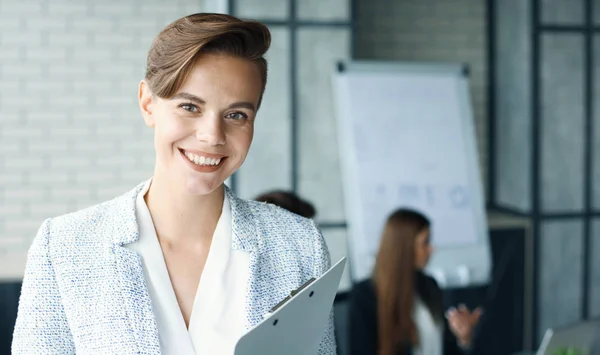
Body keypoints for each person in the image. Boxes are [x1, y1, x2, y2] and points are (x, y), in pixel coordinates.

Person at [12, 13, 335, 355]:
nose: (212, 136)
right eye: (190, 107)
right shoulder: (66, 247)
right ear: (148, 103)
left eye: (236, 115)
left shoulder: (299, 245)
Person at [348, 208, 482, 355]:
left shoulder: (429, 285)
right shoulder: (365, 295)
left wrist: (464, 338)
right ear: (404, 247)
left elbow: (448, 348)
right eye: (425, 242)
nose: (432, 249)